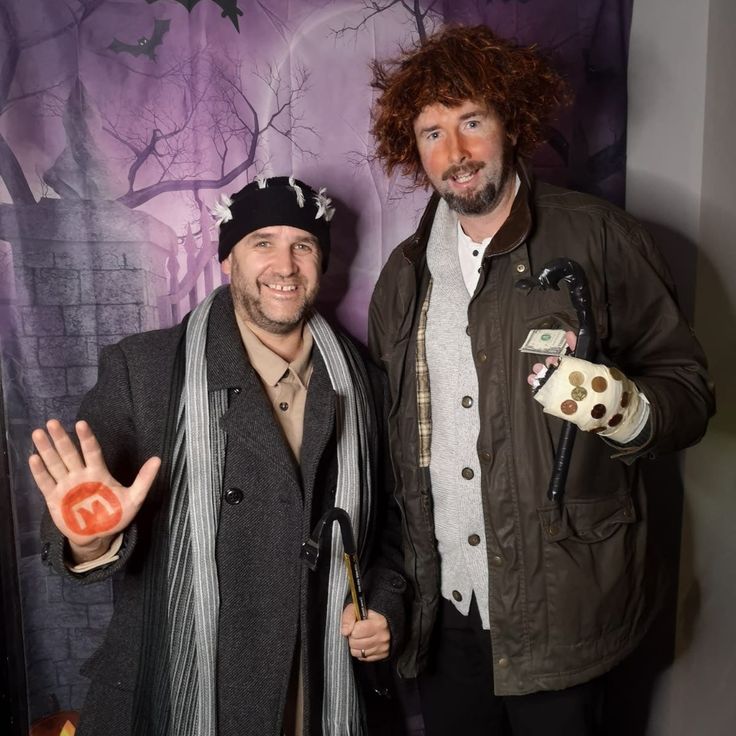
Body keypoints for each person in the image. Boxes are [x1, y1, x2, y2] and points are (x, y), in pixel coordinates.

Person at [367, 25, 714, 736]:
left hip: (566, 612)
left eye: (471, 122)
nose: (456, 155)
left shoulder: (600, 238)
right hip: (448, 619)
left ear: (510, 123)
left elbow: (688, 387)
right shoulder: (401, 280)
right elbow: (401, 456)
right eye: (432, 134)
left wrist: (624, 409)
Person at [29, 176, 407, 736]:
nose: (285, 265)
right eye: (262, 243)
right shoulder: (143, 370)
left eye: (302, 245)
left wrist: (383, 608)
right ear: (228, 258)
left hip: (315, 689)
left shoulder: (363, 384)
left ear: (322, 261)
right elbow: (76, 526)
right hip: (178, 687)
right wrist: (91, 537)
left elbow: (393, 535)